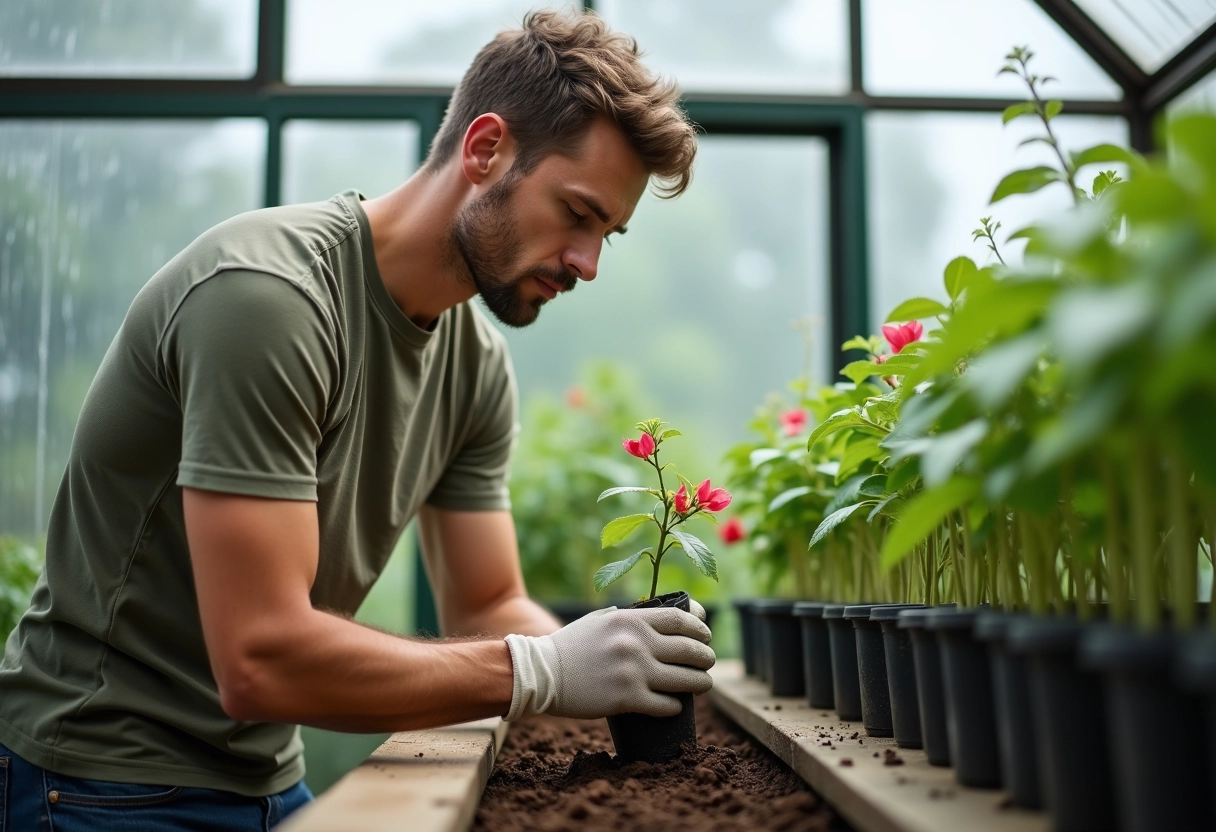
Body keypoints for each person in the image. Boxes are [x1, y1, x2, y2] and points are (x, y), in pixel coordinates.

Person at [0, 10, 714, 830]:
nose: (588, 264)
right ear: (486, 150)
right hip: (99, 783)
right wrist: (543, 667)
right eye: (579, 214)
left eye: (608, 237)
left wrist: (623, 652)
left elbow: (486, 604)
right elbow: (261, 657)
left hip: (265, 779)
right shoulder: (268, 300)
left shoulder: (473, 362)